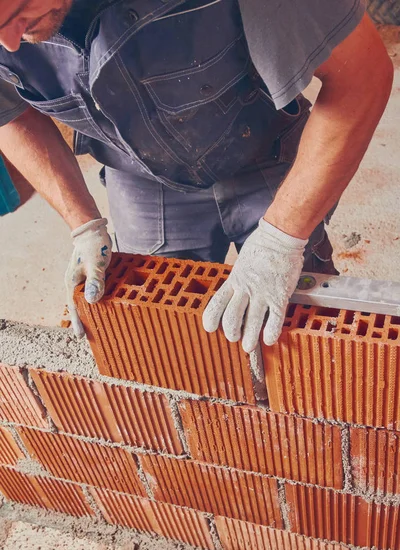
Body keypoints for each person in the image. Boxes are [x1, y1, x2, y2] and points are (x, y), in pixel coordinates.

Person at [0, 0, 393, 351]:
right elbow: (10, 113)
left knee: (299, 320)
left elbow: (362, 76)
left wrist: (280, 239)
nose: (12, 44)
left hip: (259, 141)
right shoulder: (6, 36)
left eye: (17, 15)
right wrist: (82, 223)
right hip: (138, 172)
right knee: (161, 329)